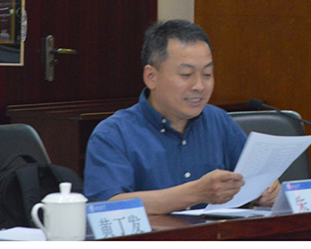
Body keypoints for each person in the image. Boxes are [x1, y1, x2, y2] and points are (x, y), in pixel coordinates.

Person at [84, 19, 280, 214]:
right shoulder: (113, 134)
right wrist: (195, 193)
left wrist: (267, 191)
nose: (199, 86)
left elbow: (254, 178)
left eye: (207, 74)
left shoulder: (218, 121)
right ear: (151, 77)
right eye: (186, 75)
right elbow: (107, 206)